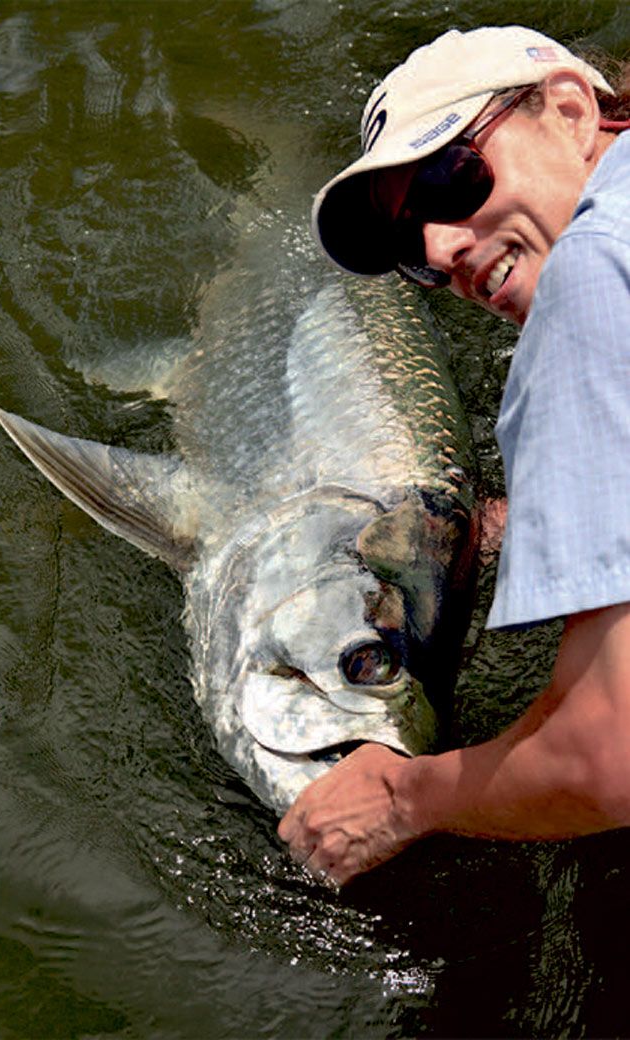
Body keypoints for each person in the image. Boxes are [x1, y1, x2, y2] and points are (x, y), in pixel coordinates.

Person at [281, 25, 630, 886]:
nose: (441, 250)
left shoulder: (586, 284)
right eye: (411, 242)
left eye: (451, 176)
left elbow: (608, 755)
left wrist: (401, 798)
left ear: (571, 110)